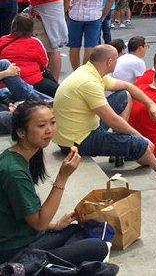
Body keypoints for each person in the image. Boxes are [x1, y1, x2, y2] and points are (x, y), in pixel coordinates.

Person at [0, 101, 112, 265]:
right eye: (41, 125)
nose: (49, 130)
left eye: (52, 122)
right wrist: (62, 177)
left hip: (25, 236)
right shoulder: (14, 172)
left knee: (76, 229)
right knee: (98, 247)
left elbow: (28, 217)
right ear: (21, 132)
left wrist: (54, 225)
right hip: (14, 252)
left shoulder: (17, 156)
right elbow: (39, 223)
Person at [53, 44, 156, 177]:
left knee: (124, 95)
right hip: (76, 142)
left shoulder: (91, 71)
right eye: (117, 58)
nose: (119, 60)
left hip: (81, 129)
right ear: (109, 62)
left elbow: (127, 86)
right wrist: (140, 136)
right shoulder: (89, 82)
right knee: (139, 143)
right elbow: (112, 120)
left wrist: (150, 103)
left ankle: (120, 143)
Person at [0, 14, 58, 97]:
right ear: (31, 28)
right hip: (33, 80)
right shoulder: (35, 42)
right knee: (60, 92)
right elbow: (44, 63)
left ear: (13, 25)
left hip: (6, 83)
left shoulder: (3, 40)